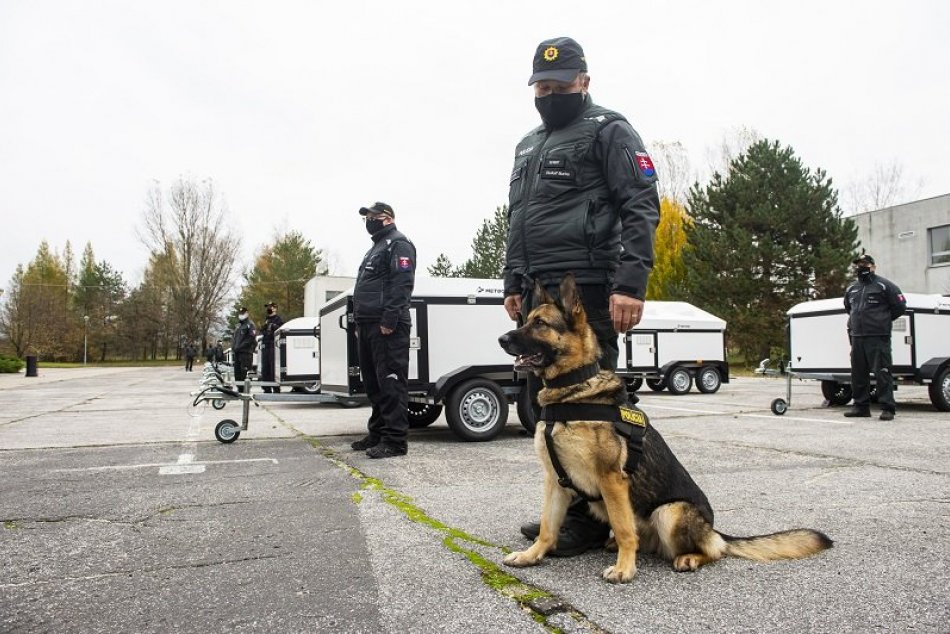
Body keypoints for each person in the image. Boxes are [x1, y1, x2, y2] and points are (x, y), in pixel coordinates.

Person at [503, 37, 660, 555]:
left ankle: (598, 522)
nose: (548, 94)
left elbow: (640, 203)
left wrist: (630, 284)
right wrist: (513, 283)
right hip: (536, 289)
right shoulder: (527, 144)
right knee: (546, 407)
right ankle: (569, 509)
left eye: (559, 85)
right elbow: (517, 220)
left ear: (584, 82)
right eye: (540, 86)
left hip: (591, 285)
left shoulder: (610, 129)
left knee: (593, 410)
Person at [350, 202, 416, 459]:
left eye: (372, 217)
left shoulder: (398, 244)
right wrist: (359, 322)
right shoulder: (375, 248)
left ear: (387, 219)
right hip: (368, 325)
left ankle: (395, 441)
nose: (368, 221)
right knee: (374, 384)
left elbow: (402, 284)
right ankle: (377, 433)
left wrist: (389, 320)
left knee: (391, 383)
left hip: (388, 326)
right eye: (366, 217)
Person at [843, 254, 906, 420]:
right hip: (857, 336)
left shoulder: (885, 286)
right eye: (858, 265)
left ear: (873, 266)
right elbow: (849, 308)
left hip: (878, 336)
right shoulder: (852, 289)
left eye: (865, 264)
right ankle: (861, 407)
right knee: (858, 373)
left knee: (882, 372)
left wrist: (881, 320)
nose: (861, 267)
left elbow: (900, 307)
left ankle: (888, 408)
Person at [260, 302, 285, 393]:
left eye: (270, 307)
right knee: (265, 367)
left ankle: (276, 388)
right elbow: (262, 331)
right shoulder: (266, 319)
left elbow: (281, 330)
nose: (269, 308)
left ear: (275, 308)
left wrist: (274, 326)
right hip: (265, 346)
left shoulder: (278, 319)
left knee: (272, 368)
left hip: (273, 346)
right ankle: (266, 388)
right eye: (268, 307)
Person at [231, 306, 257, 386]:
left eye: (243, 313)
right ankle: (239, 390)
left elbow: (251, 338)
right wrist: (234, 347)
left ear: (247, 313)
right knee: (237, 374)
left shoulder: (250, 325)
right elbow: (235, 338)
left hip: (245, 353)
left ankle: (244, 392)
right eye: (240, 313)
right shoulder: (238, 326)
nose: (241, 315)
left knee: (244, 373)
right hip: (237, 353)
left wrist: (240, 346)